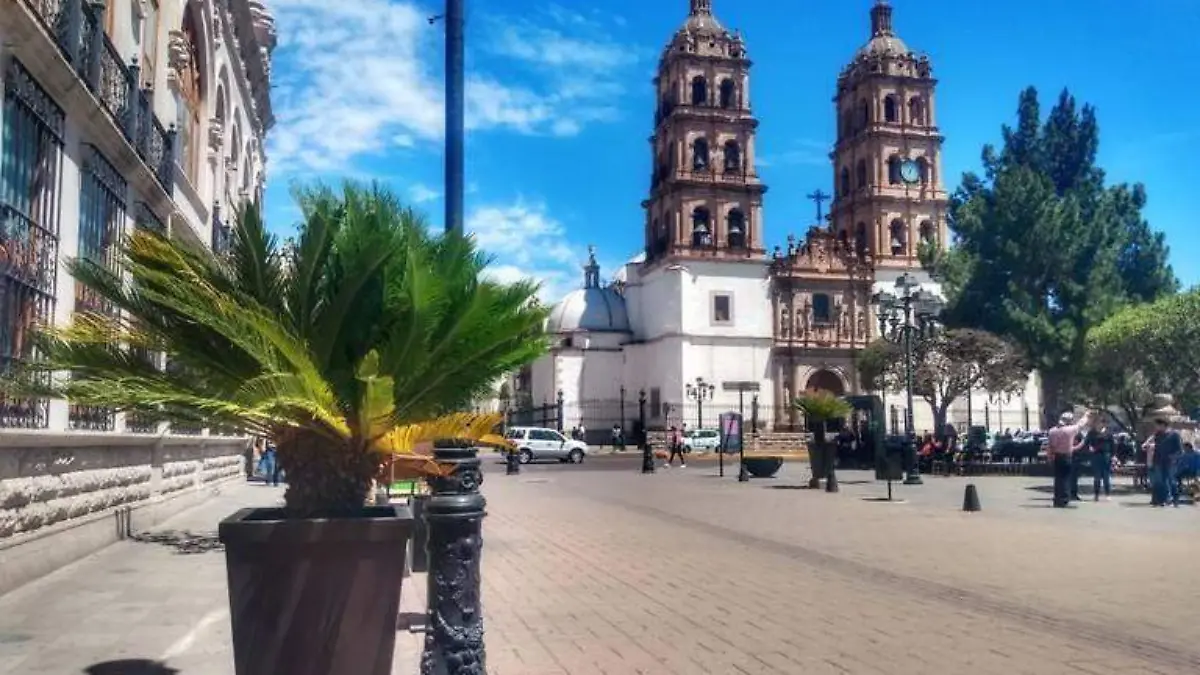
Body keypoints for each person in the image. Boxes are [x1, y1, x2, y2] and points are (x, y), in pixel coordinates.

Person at [1046, 410, 1091, 508]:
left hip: (1056, 456)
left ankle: (1057, 500)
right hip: (1066, 456)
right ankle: (1064, 500)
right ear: (1069, 421)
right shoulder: (1070, 430)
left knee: (1058, 479)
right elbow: (1081, 424)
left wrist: (1049, 458)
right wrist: (1086, 415)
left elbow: (1049, 447)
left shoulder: (1052, 431)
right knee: (1066, 479)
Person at [1144, 417, 1183, 507]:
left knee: (1171, 481)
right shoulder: (1158, 434)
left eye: (1157, 425)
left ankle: (1175, 499)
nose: (1156, 427)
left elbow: (1179, 450)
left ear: (1163, 425)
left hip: (1170, 461)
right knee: (1160, 481)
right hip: (1158, 461)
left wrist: (1174, 457)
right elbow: (1155, 447)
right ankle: (1162, 500)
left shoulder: (1174, 435)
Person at [1091, 424, 1115, 501]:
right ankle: (1096, 494)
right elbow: (1088, 442)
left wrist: (1113, 455)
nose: (1100, 425)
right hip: (1096, 455)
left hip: (1106, 455)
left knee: (1106, 477)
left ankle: (1107, 494)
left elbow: (1112, 445)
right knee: (1097, 477)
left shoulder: (1108, 433)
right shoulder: (1093, 433)